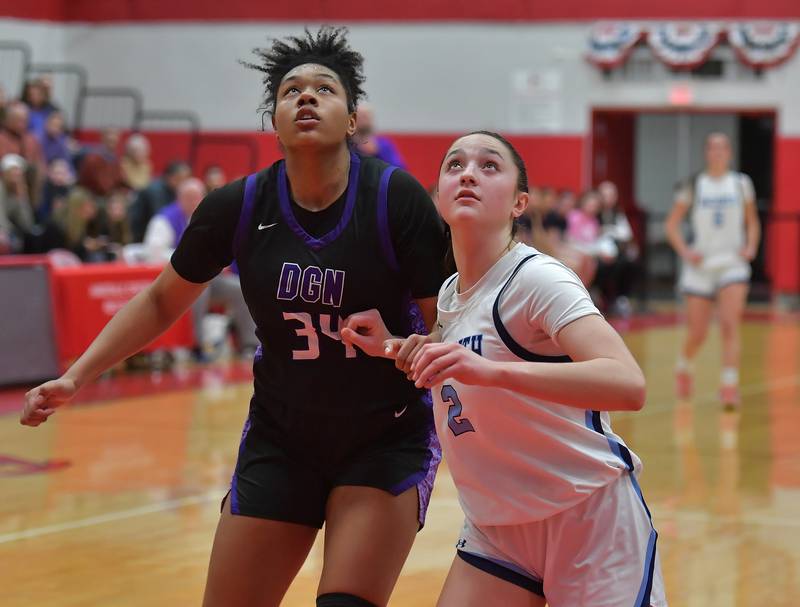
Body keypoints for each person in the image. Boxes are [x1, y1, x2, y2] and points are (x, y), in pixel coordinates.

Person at [21, 26, 447, 607]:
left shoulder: (395, 198)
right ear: (272, 120)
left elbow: (446, 328)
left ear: (351, 120)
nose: (305, 96)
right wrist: (78, 375)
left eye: (325, 88)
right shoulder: (237, 206)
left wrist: (398, 344)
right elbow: (159, 301)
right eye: (291, 90)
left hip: (386, 434)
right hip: (283, 435)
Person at [343, 131, 666, 607]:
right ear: (438, 198)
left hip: (586, 514)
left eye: (489, 165)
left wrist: (492, 372)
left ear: (520, 203)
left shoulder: (539, 278)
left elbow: (627, 384)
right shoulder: (453, 291)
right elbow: (460, 356)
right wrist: (390, 345)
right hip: (496, 528)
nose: (468, 172)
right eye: (455, 166)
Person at [665, 132, 760, 408]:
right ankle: (683, 366)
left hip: (732, 263)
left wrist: (751, 246)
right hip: (701, 266)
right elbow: (671, 225)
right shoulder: (695, 184)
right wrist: (685, 251)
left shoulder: (741, 184)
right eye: (712, 147)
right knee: (698, 333)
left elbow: (753, 222)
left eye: (722, 147)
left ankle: (729, 385)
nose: (717, 152)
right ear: (706, 152)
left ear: (729, 152)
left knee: (730, 325)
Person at [143, 177, 258, 359]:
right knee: (198, 291)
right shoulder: (164, 220)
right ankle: (197, 346)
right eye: (189, 197)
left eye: (197, 197)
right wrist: (189, 257)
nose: (194, 201)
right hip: (176, 282)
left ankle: (250, 344)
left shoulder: (209, 216)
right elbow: (153, 253)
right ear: (179, 198)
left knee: (239, 288)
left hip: (209, 279)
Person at [354, 102, 406, 168]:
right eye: (360, 117)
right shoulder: (346, 144)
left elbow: (400, 169)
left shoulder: (383, 144)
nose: (363, 121)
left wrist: (378, 152)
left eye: (365, 117)